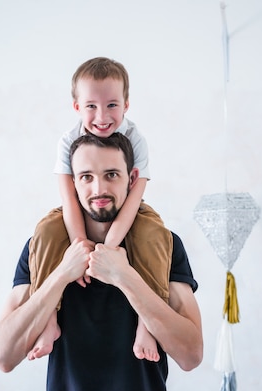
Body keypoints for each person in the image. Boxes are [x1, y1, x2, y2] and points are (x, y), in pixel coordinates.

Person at [0, 132, 203, 391]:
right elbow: (3, 356)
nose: (99, 188)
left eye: (111, 175)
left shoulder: (164, 244)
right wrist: (62, 273)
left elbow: (191, 354)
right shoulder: (43, 248)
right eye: (86, 177)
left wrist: (125, 276)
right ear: (73, 182)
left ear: (132, 179)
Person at [27, 57, 173, 363]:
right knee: (45, 231)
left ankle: (147, 324)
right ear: (77, 107)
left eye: (112, 105)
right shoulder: (68, 141)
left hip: (126, 208)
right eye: (92, 106)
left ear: (126, 105)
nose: (102, 116)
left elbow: (134, 198)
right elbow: (69, 199)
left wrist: (106, 250)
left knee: (153, 234)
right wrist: (81, 246)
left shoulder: (137, 140)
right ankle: (48, 319)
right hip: (78, 208)